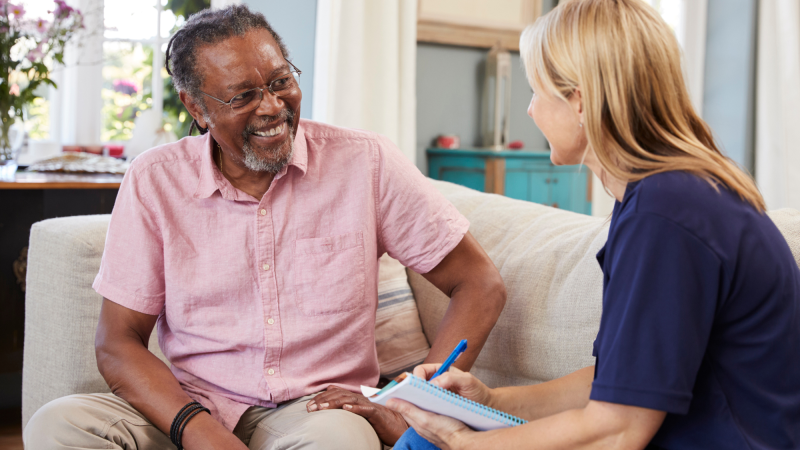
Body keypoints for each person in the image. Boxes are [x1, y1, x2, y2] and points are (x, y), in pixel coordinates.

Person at [23, 5, 507, 450]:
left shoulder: (366, 162)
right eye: (243, 96)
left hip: (315, 410)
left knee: (341, 444)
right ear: (197, 108)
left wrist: (412, 398)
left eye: (280, 82)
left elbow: (479, 283)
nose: (273, 107)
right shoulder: (154, 180)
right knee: (58, 424)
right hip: (191, 406)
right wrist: (199, 431)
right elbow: (118, 341)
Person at [388, 0, 800, 448]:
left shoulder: (667, 215)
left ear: (579, 101)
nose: (530, 110)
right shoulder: (662, 197)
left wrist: (465, 444)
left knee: (425, 444)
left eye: (536, 91)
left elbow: (618, 430)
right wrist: (491, 399)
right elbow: (622, 382)